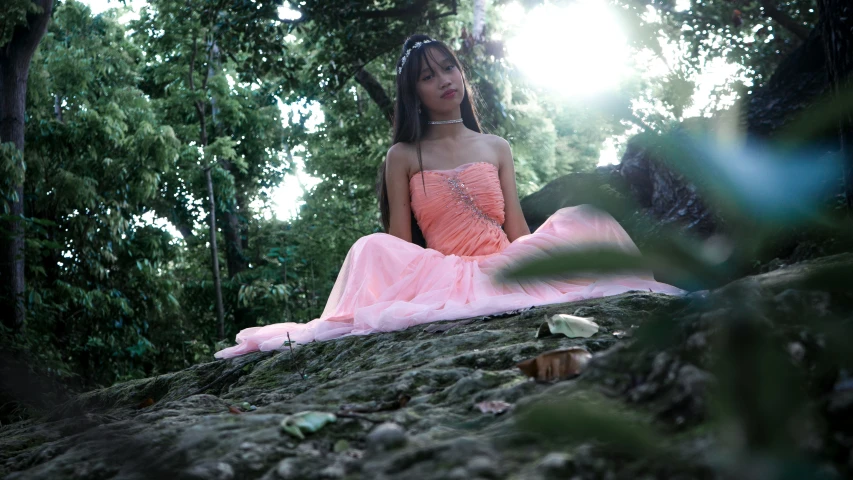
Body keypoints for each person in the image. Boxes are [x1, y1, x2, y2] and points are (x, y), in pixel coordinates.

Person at [213, 34, 683, 360]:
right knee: (370, 246)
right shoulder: (402, 155)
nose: (444, 80)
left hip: (506, 260)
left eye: (448, 67)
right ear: (413, 92)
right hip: (445, 269)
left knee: (584, 215)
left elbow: (517, 229)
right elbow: (400, 244)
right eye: (428, 76)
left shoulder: (495, 146)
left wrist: (539, 267)